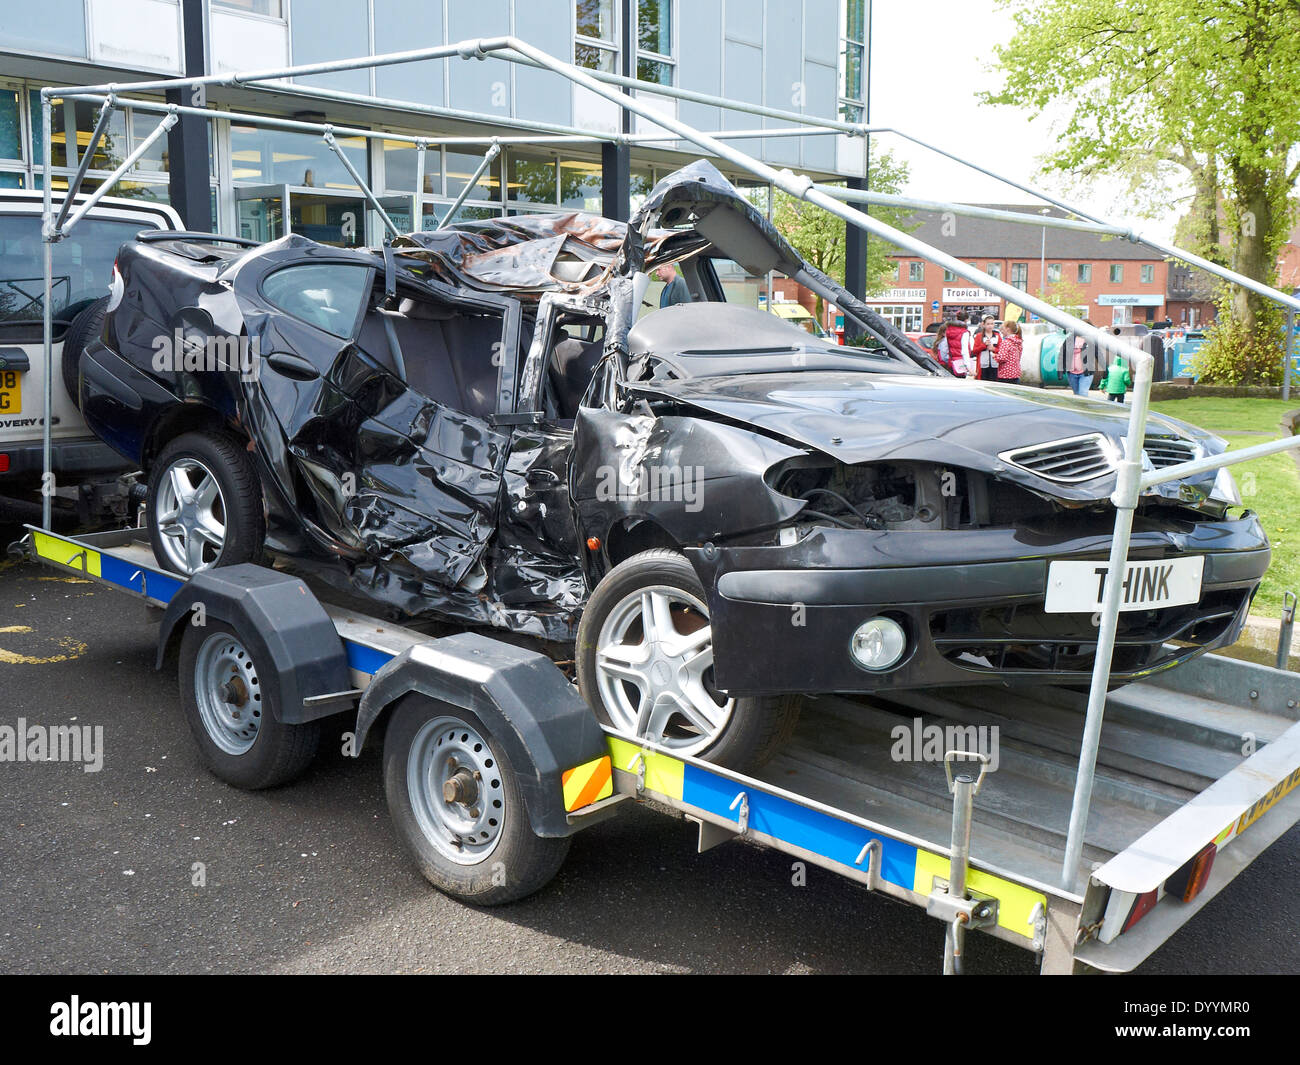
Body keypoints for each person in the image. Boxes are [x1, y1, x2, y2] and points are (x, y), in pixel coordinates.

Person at [1066, 320, 1096, 397]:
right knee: (1076, 395)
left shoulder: (1091, 339)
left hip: (1086, 373)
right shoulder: (1071, 338)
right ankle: (1078, 408)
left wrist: (1105, 369)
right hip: (1072, 373)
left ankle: (1084, 408)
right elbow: (1063, 352)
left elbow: (1098, 353)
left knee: (1083, 394)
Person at [971, 314, 1002, 381]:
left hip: (995, 366)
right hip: (982, 366)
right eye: (988, 324)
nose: (990, 326)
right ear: (984, 324)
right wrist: (984, 345)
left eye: (992, 324)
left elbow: (1002, 351)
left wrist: (993, 349)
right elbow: (974, 351)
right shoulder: (979, 336)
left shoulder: (997, 336)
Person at [995, 319, 1023, 383]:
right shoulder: (1018, 341)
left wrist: (995, 356)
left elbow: (1002, 358)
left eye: (1002, 329)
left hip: (1005, 375)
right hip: (1015, 374)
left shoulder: (1006, 342)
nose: (1001, 331)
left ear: (1008, 329)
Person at [944, 313, 971, 377]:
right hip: (961, 364)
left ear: (957, 318)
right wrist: (968, 367)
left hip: (951, 362)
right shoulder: (964, 332)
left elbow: (945, 348)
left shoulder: (948, 330)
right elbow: (965, 351)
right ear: (966, 320)